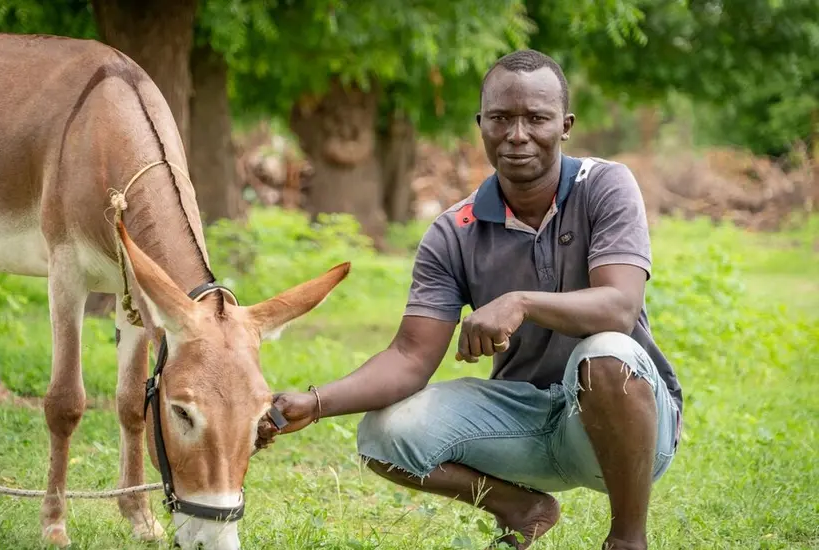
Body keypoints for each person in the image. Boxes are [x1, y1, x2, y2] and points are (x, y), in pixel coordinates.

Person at [256, 49, 683, 550]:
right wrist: (318, 401)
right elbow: (409, 357)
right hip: (524, 421)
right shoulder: (454, 231)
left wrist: (521, 301)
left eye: (537, 119)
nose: (517, 135)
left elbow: (619, 306)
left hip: (628, 428)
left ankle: (628, 539)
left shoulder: (604, 186)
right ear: (481, 124)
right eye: (501, 118)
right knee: (385, 434)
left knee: (607, 354)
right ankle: (521, 508)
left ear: (565, 125)